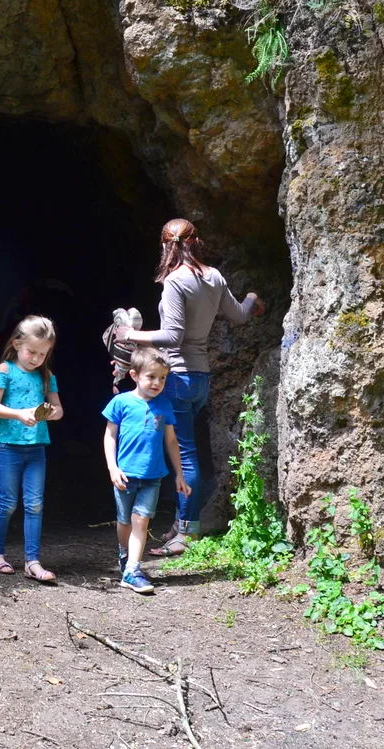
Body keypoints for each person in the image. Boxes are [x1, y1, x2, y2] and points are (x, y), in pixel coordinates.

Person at [114, 218, 265, 555]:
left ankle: (187, 532)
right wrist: (252, 296)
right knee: (184, 451)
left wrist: (130, 336)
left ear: (166, 245)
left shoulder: (175, 282)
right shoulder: (214, 277)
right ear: (197, 242)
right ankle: (181, 524)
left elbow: (172, 336)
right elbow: (240, 315)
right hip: (201, 379)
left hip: (177, 377)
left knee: (184, 457)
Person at [0, 315, 65, 584]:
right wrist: (20, 414)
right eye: (32, 351)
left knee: (35, 504)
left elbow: (59, 410)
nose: (36, 358)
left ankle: (33, 561)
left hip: (36, 448)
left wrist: (50, 413)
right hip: (8, 446)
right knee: (7, 503)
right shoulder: (5, 370)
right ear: (17, 343)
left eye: (43, 354)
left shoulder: (46, 375)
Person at [103, 348, 187, 594]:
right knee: (124, 522)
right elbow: (110, 436)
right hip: (125, 475)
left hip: (153, 477)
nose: (157, 383)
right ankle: (125, 555)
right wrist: (112, 467)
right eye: (151, 377)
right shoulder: (121, 402)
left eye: (162, 378)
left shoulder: (165, 405)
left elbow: (171, 441)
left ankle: (132, 569)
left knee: (141, 521)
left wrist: (179, 473)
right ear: (134, 375)